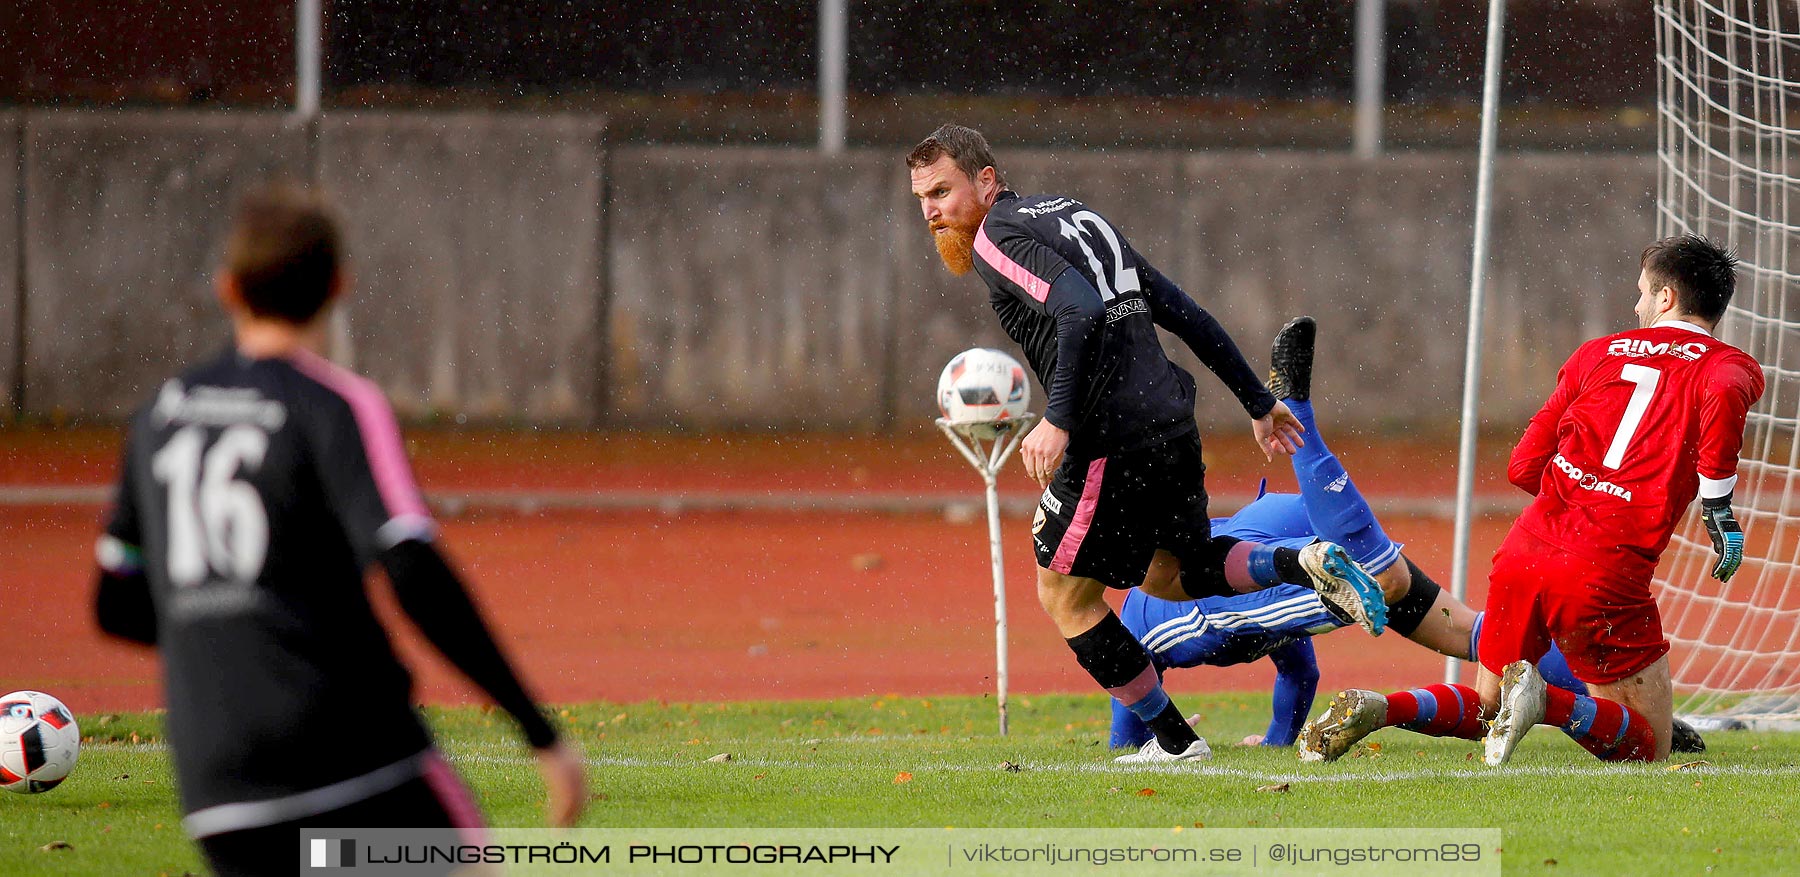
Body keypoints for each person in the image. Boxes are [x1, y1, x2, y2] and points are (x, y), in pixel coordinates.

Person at [92, 183, 586, 876]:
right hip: (349, 750)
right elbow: (411, 565)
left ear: (228, 288)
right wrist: (539, 732)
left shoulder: (160, 413)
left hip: (218, 779)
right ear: (337, 286)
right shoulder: (334, 405)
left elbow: (115, 602)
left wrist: (230, 629)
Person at [906, 124, 1388, 765]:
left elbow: (1077, 311)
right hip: (1170, 421)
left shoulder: (998, 235)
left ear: (987, 180)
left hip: (1111, 435)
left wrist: (1059, 420)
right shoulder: (1078, 216)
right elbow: (1181, 309)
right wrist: (1255, 401)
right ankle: (1301, 564)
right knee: (1171, 575)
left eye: (942, 191)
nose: (932, 211)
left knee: (1064, 594)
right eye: (921, 199)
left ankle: (1175, 741)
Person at [1111, 317, 1708, 755]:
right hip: (1293, 519)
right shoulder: (1235, 615)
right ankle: (1608, 714)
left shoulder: (1151, 618)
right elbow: (1298, 670)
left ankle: (1298, 411)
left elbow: (1129, 692)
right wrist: (1273, 740)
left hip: (1278, 554)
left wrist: (1135, 744)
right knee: (1479, 636)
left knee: (1384, 581)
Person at [1300, 235, 1762, 765]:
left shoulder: (1596, 353)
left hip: (1525, 551)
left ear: (1665, 300)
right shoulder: (1730, 367)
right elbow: (1725, 393)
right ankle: (1550, 703)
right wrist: (1718, 507)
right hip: (1603, 568)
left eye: (1641, 292)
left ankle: (1383, 707)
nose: (1635, 305)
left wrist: (1581, 486)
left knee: (1490, 708)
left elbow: (1522, 466)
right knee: (1650, 746)